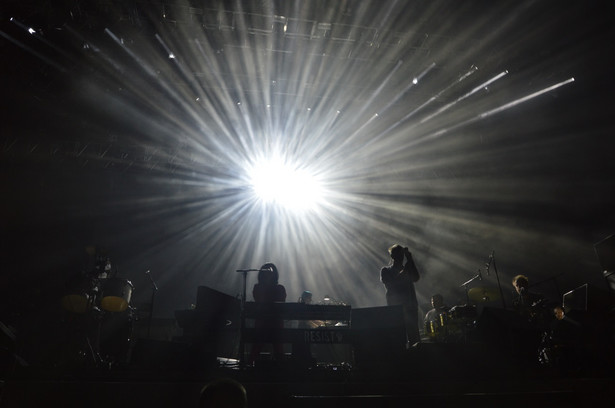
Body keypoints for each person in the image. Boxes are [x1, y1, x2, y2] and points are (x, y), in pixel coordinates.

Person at [380, 244, 421, 345]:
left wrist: (410, 259)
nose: (401, 257)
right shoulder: (386, 271)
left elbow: (416, 277)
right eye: (398, 255)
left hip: (410, 307)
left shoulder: (407, 268)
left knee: (414, 338)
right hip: (396, 309)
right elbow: (392, 284)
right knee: (398, 339)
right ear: (392, 256)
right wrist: (406, 269)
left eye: (402, 255)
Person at [248, 263, 286, 363]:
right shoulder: (258, 287)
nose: (267, 275)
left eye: (270, 273)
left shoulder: (280, 288)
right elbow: (260, 300)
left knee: (278, 349)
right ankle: (249, 366)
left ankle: (282, 369)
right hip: (263, 324)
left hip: (275, 324)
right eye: (266, 273)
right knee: (257, 347)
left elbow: (280, 303)